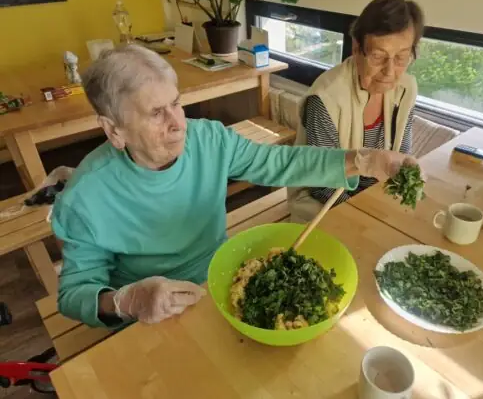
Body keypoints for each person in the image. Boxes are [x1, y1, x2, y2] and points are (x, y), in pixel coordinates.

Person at [51, 45, 420, 328]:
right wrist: (126, 302)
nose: (178, 124)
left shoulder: (208, 139)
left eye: (176, 104)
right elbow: (74, 293)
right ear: (114, 130)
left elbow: (280, 163)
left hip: (221, 283)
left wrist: (364, 160)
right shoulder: (86, 197)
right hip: (150, 315)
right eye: (156, 113)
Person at [288, 0, 425, 222]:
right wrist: (368, 216)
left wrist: (408, 175)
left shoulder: (406, 89)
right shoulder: (325, 99)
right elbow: (321, 185)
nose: (390, 71)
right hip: (322, 204)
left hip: (374, 198)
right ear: (356, 47)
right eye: (378, 56)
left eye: (401, 57)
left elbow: (400, 156)